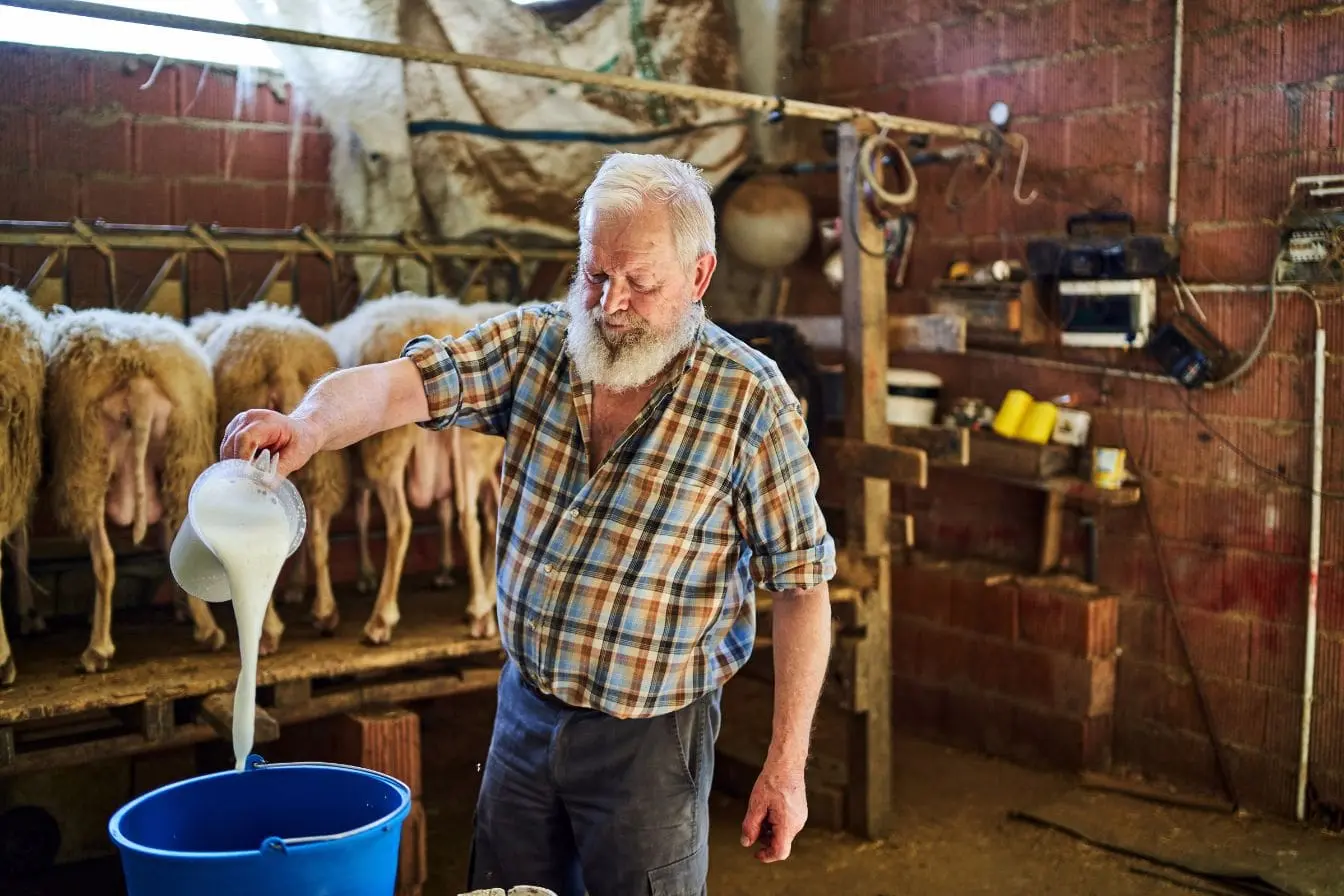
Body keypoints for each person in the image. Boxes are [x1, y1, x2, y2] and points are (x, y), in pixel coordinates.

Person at [219, 151, 836, 895]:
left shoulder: (750, 403)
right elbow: (394, 390)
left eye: (641, 283)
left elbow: (802, 587)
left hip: (649, 736)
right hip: (525, 710)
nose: (610, 305)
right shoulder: (538, 346)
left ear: (698, 277)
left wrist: (786, 764)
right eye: (594, 274)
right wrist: (308, 425)